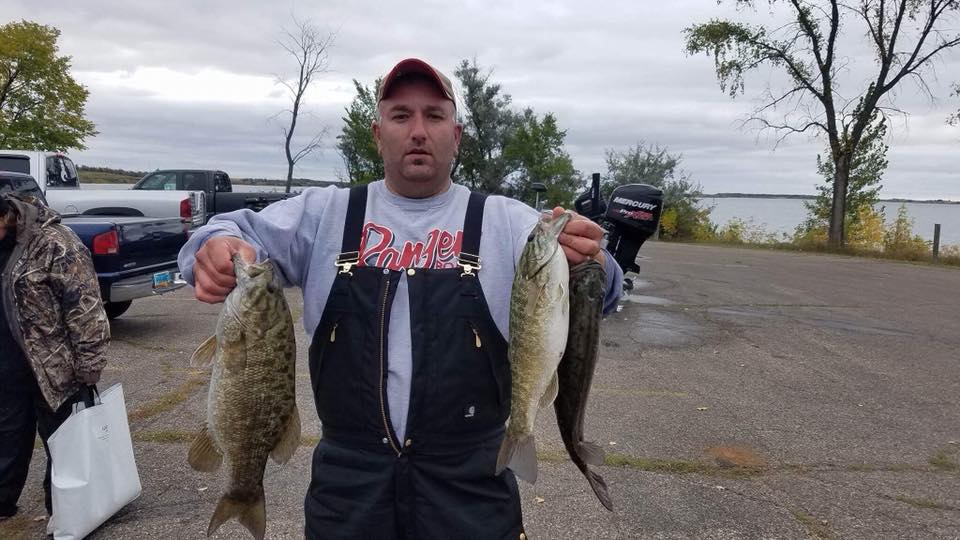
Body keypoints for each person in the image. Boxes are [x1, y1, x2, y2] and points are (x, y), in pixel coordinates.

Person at [178, 58, 623, 539]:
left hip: (473, 489)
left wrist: (593, 260)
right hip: (348, 492)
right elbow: (228, 231)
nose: (418, 131)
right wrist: (214, 247)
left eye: (434, 116)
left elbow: (601, 291)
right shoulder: (326, 213)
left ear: (456, 135)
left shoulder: (509, 222)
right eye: (400, 115)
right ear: (377, 133)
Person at [0, 192, 109, 524]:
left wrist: (90, 364)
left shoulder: (55, 242)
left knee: (63, 444)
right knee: (7, 436)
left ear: (5, 216)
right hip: (7, 366)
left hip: (54, 367)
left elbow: (86, 306)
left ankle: (65, 513)